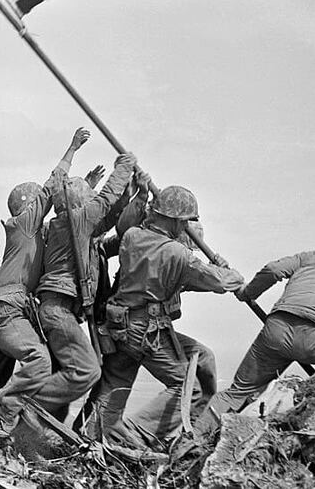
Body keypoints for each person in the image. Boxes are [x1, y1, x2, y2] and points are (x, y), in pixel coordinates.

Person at [89, 185, 245, 449]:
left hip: (120, 326)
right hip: (147, 331)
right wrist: (230, 273)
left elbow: (178, 277)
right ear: (174, 219)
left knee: (115, 384)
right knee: (188, 387)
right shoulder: (177, 254)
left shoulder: (133, 237)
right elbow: (218, 282)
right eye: (184, 222)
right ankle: (135, 435)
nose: (185, 227)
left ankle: (92, 435)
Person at [0, 127, 91, 438]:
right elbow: (51, 189)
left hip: (2, 309)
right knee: (38, 359)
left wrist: (87, 186)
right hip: (8, 309)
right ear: (29, 205)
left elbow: (66, 211)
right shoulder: (23, 225)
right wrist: (72, 149)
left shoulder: (30, 234)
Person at [197, 244, 315, 435]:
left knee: (236, 392)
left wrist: (247, 293)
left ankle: (193, 437)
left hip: (275, 331)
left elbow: (273, 270)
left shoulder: (311, 258)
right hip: (314, 342)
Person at [30, 152, 137, 419]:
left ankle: (37, 427)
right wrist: (124, 167)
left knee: (63, 381)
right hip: (58, 310)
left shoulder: (66, 225)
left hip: (56, 310)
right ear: (80, 203)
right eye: (89, 197)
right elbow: (105, 200)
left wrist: (130, 196)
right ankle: (25, 407)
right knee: (87, 371)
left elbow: (107, 217)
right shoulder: (76, 221)